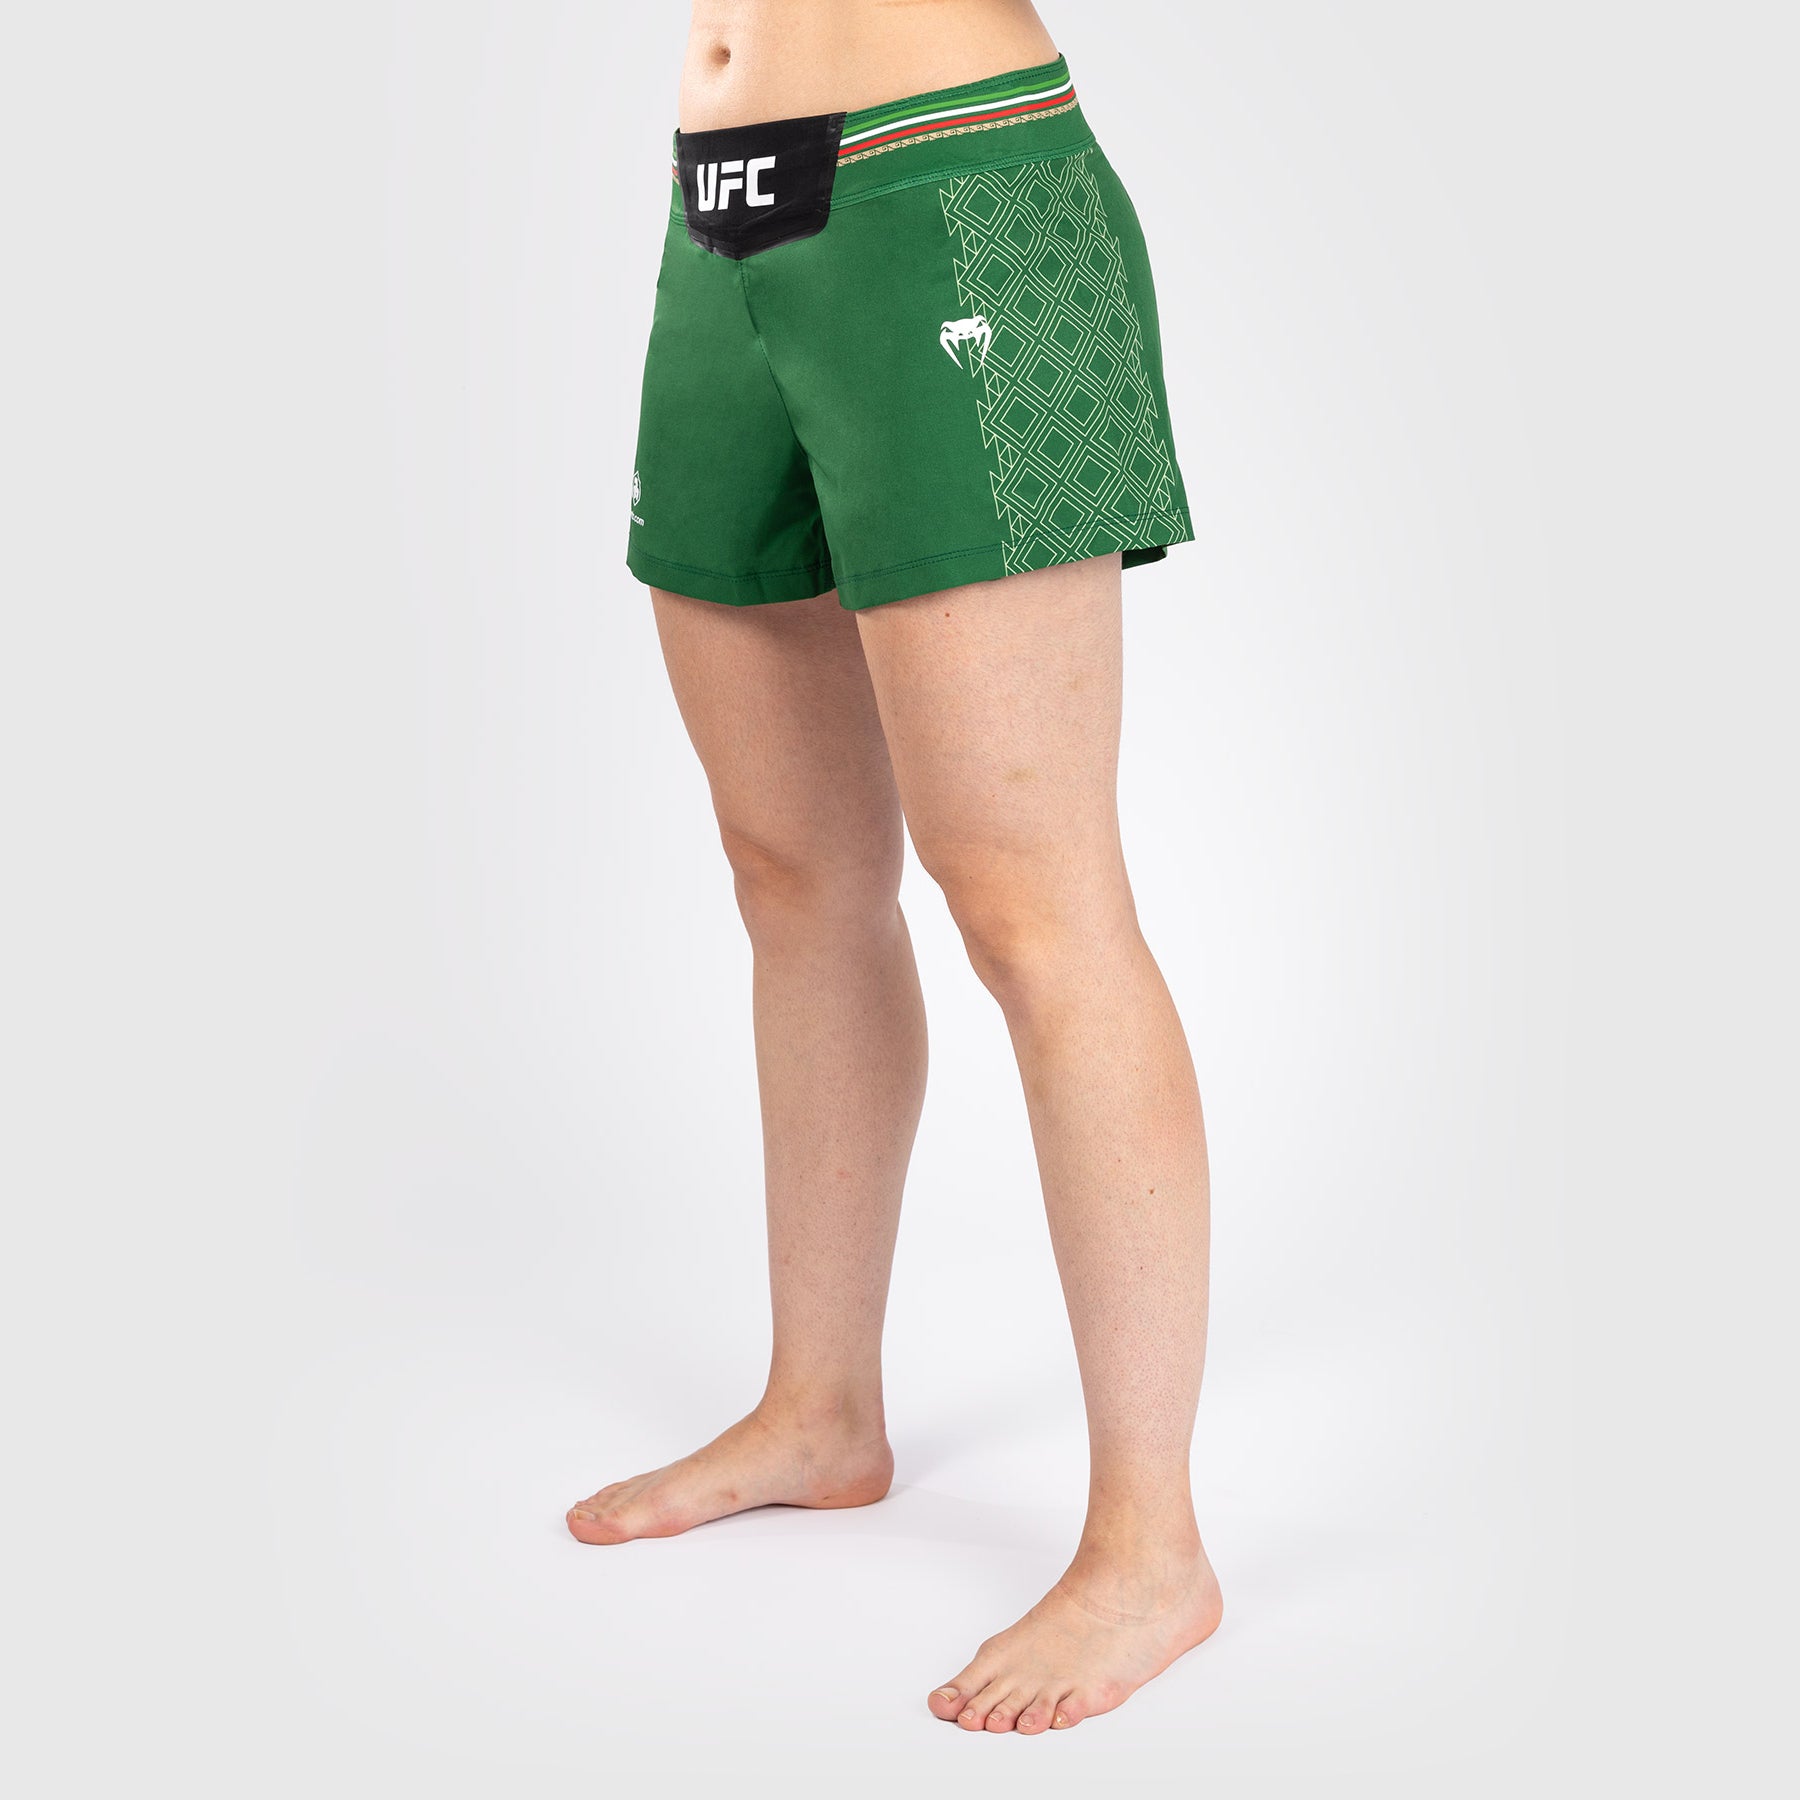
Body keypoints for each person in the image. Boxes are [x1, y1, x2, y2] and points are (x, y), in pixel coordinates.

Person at [570, 0, 1221, 1735]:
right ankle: (820, 1408)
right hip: (724, 215)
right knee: (788, 870)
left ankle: (1152, 1545)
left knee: (1033, 907)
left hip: (955, 190)